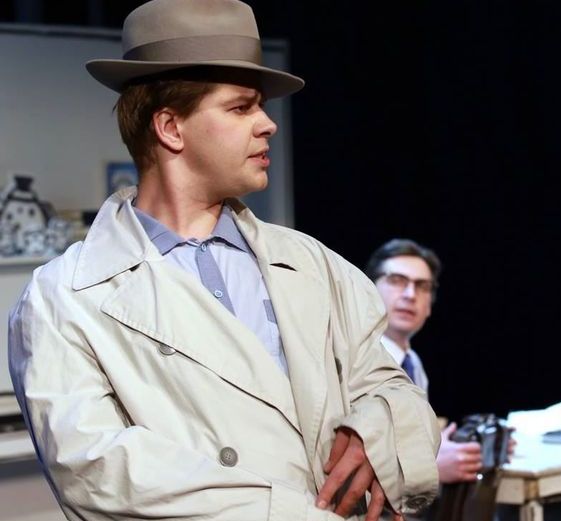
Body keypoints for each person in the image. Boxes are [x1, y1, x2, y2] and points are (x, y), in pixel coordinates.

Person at [7, 1, 440, 520]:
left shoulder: (313, 263)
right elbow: (99, 471)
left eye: (261, 107)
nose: (268, 124)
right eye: (241, 108)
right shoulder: (65, 296)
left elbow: (388, 382)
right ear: (170, 127)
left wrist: (378, 430)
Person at [365, 239, 484, 487]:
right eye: (397, 280)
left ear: (430, 305)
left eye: (422, 286)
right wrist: (431, 467)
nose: (410, 295)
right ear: (369, 289)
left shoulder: (413, 363)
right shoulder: (356, 360)